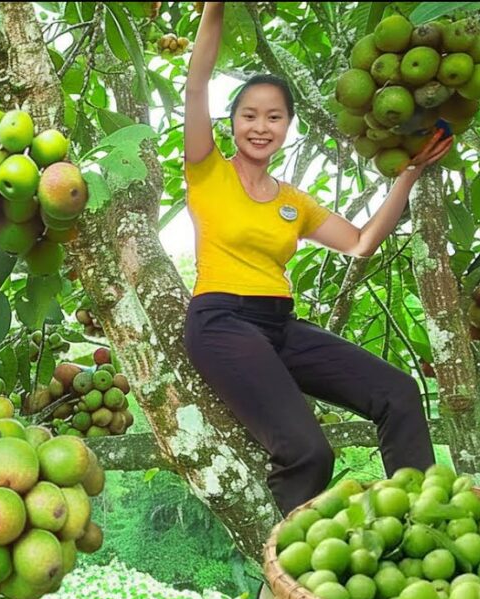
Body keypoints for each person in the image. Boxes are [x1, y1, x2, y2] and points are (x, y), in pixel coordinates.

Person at [182, 2, 453, 519]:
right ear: (233, 122)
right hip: (221, 321)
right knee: (308, 452)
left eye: (274, 117)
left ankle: (418, 519)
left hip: (280, 325)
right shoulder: (206, 170)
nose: (261, 126)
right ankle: (290, 581)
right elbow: (197, 84)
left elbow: (360, 242)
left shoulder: (293, 202)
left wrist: (409, 174)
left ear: (287, 126)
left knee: (398, 392)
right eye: (249, 115)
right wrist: (214, 8)